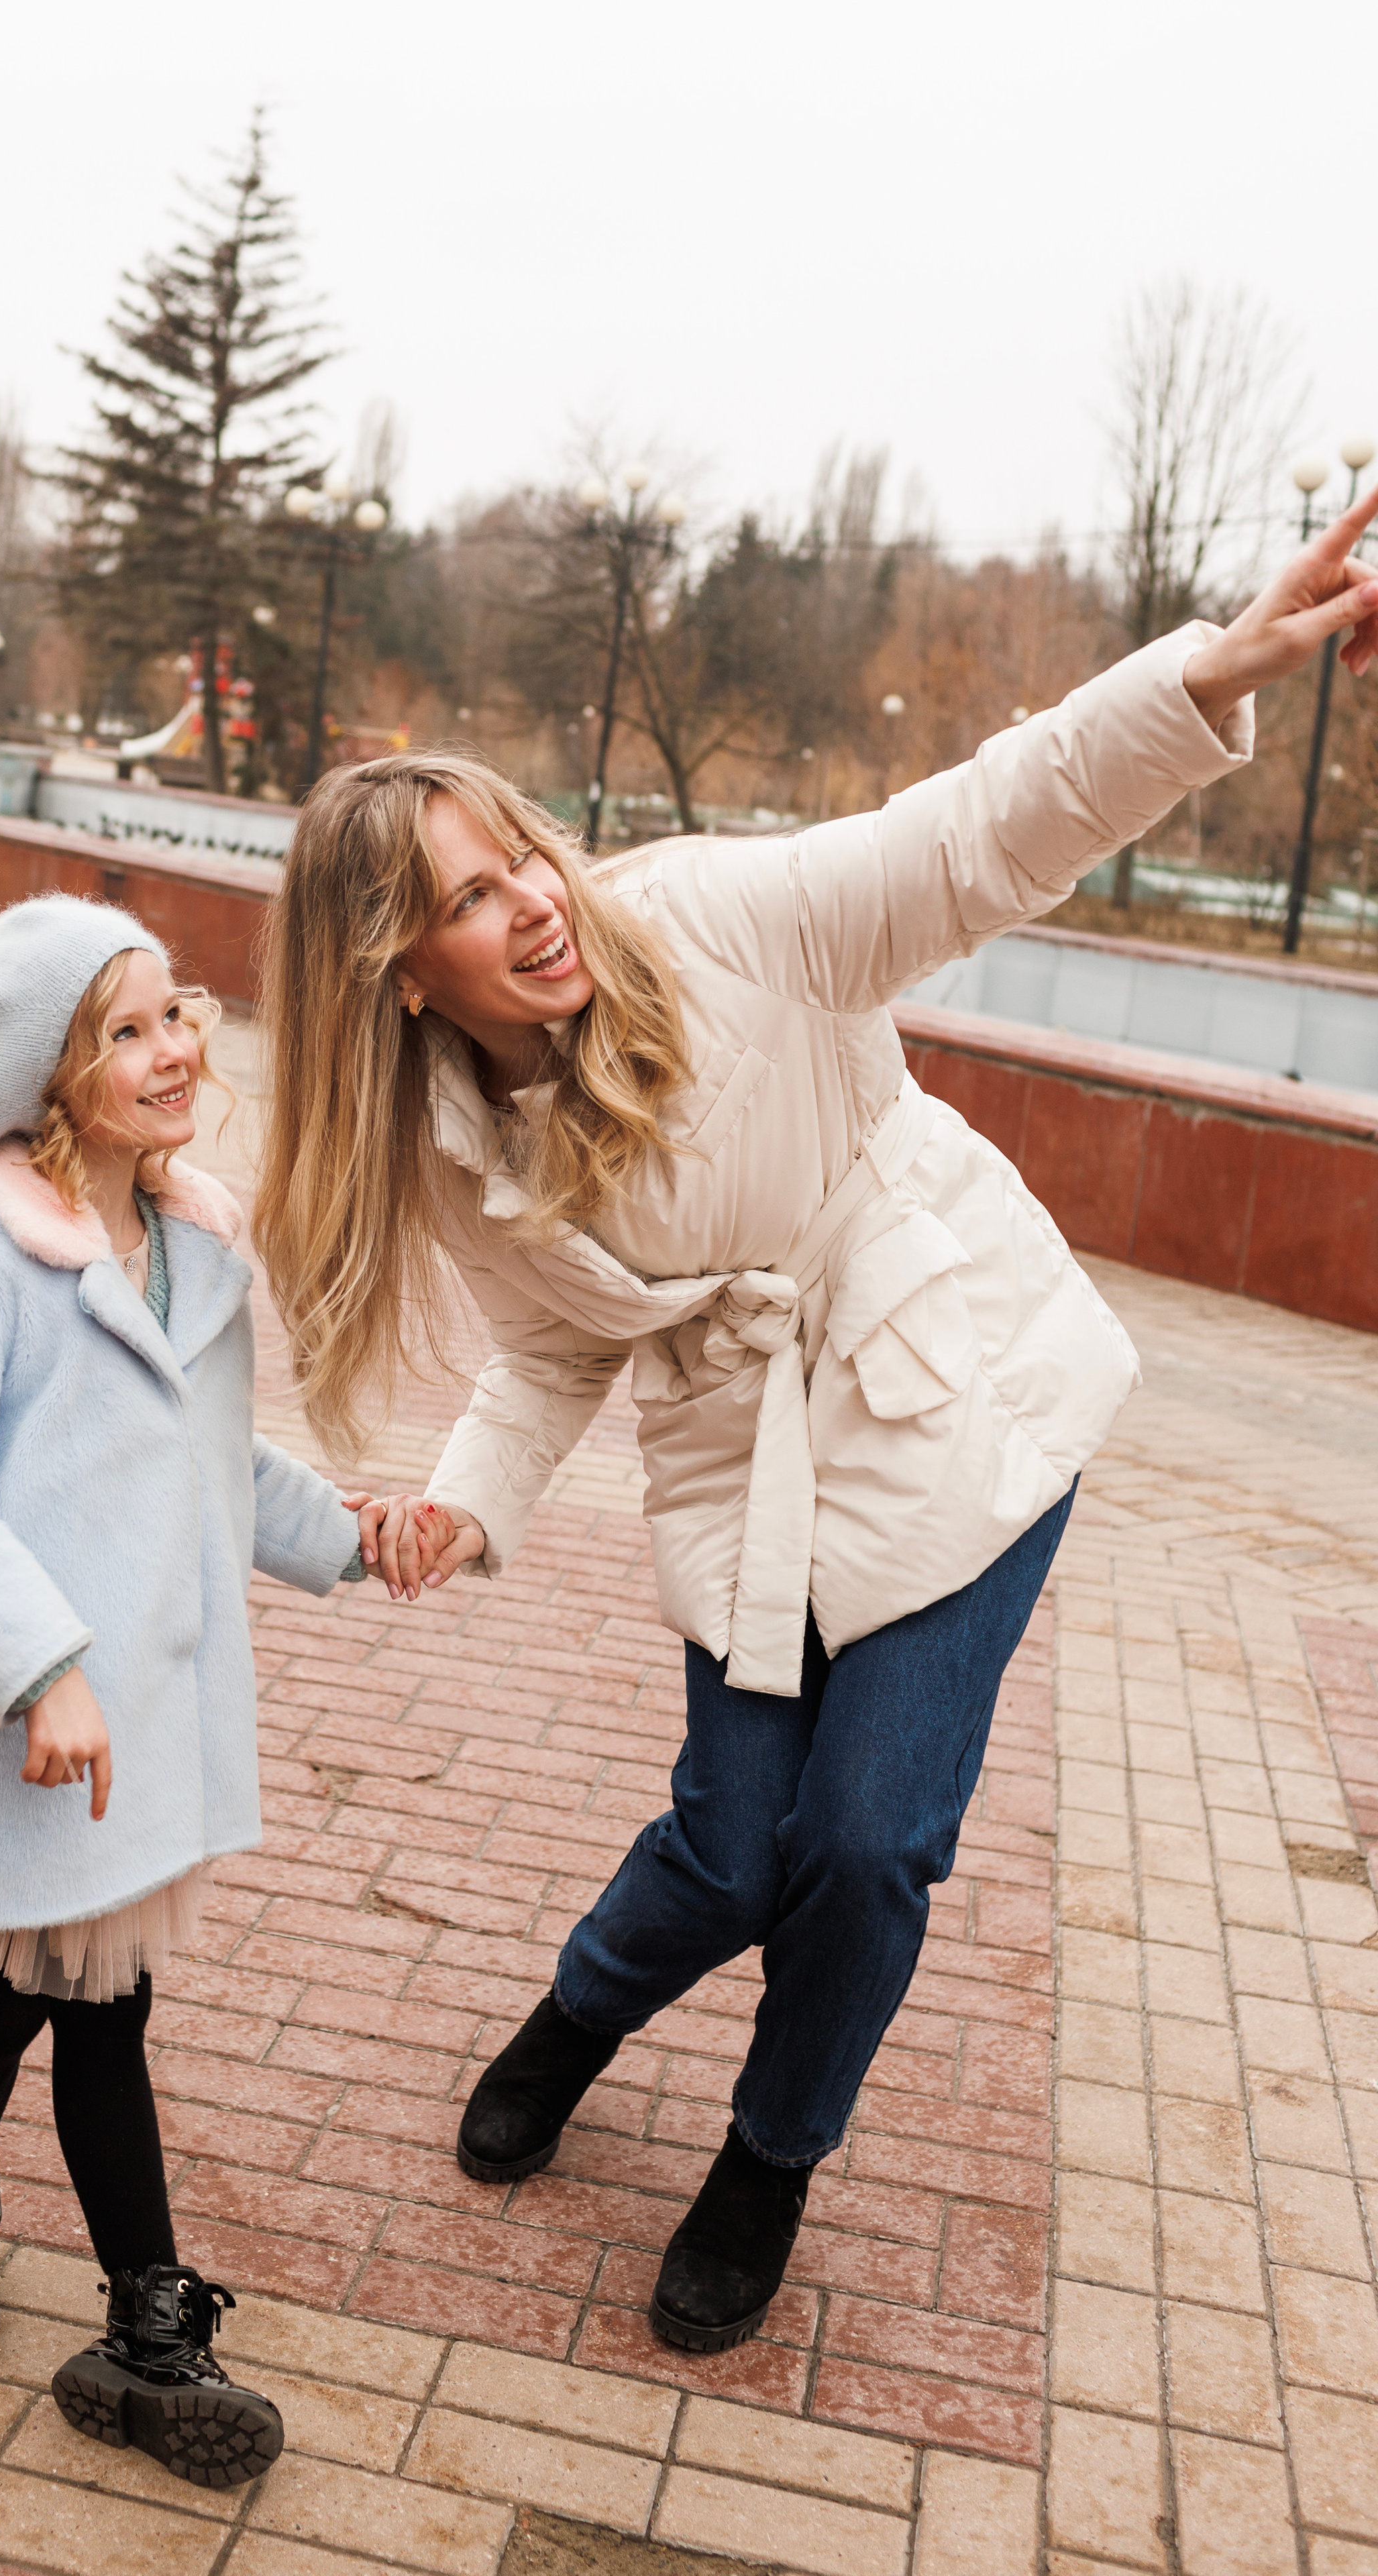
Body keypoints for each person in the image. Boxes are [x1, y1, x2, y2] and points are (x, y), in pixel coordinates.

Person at [252, 495, 1378, 2353]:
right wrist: (465, 1503)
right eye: (466, 898)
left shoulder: (715, 921)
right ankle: (578, 2016)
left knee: (861, 1843)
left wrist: (1206, 675)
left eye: (519, 855)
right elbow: (554, 1350)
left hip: (952, 1395)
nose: (530, 899)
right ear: (397, 968)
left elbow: (978, 828)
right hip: (740, 1457)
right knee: (727, 1848)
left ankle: (768, 2157)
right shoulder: (452, 1144)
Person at [0, 894, 401, 2485]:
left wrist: (353, 1537)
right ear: (46, 1079)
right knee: (39, 2003)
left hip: (127, 1729)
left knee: (52, 2003)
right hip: (16, 1734)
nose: (174, 1051)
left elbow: (213, 1462)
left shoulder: (189, 1248)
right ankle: (94, 2286)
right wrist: (36, 1669)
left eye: (175, 1014)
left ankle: (57, 2255)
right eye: (125, 1030)